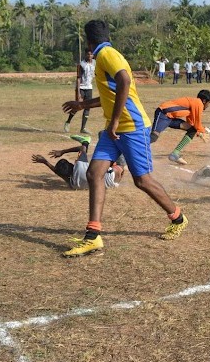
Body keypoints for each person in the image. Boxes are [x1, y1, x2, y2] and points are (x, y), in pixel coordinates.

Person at [61, 20, 189, 257]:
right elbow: (113, 94)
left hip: (132, 128)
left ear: (88, 41)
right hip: (114, 129)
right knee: (94, 173)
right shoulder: (105, 55)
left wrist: (117, 120)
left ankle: (178, 218)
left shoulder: (107, 55)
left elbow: (125, 81)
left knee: (142, 181)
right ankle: (93, 236)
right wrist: (82, 104)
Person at [31, 134, 125, 190]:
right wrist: (63, 151)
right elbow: (82, 149)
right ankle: (86, 140)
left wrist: (45, 162)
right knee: (104, 135)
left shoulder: (73, 183)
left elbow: (58, 172)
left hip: (112, 184)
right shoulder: (78, 165)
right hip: (115, 174)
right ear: (71, 165)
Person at [150, 90, 210, 165]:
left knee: (192, 129)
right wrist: (202, 132)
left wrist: (200, 131)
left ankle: (175, 154)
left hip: (171, 117)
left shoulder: (194, 103)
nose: (208, 105)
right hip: (163, 114)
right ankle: (136, 148)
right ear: (204, 101)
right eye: (209, 103)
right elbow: (197, 122)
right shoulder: (198, 103)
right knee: (154, 137)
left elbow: (192, 122)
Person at [64, 50, 95, 133]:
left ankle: (83, 128)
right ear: (85, 55)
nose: (89, 56)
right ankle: (68, 122)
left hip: (89, 88)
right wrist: (78, 92)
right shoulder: (81, 64)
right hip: (81, 87)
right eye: (88, 54)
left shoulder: (95, 63)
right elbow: (78, 79)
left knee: (88, 107)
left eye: (91, 54)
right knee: (78, 106)